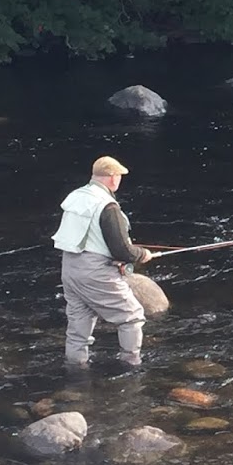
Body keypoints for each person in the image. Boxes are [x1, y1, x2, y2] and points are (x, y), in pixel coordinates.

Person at [52, 155, 154, 369]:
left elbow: (88, 236)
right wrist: (141, 254)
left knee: (79, 321)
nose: (119, 180)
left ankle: (76, 369)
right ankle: (131, 364)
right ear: (112, 177)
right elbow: (121, 249)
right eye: (119, 176)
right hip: (95, 271)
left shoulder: (77, 196)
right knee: (132, 317)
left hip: (70, 268)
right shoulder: (108, 206)